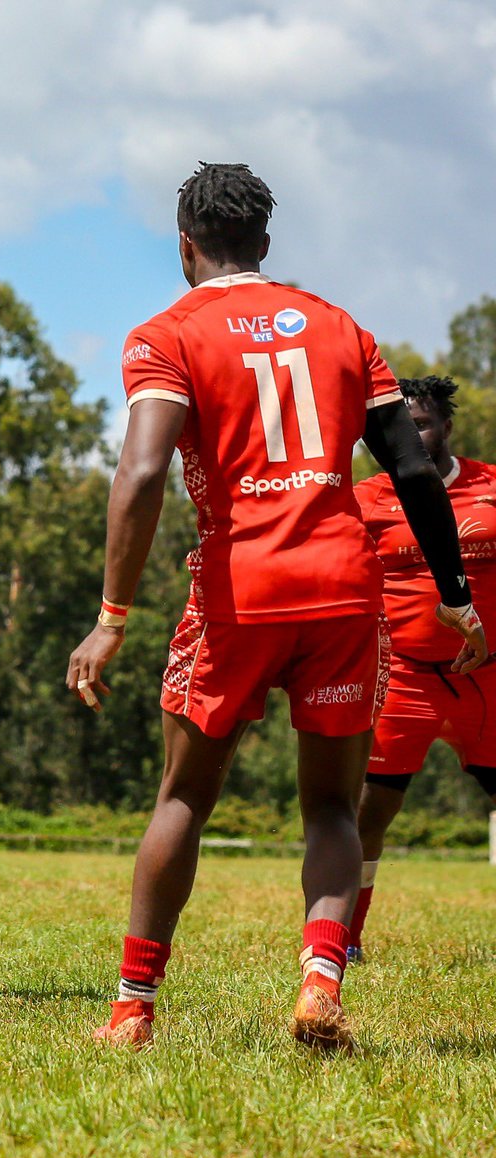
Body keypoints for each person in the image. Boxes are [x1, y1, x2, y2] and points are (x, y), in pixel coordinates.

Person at [66, 163, 487, 1050]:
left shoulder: (166, 334)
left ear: (186, 245)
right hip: (343, 588)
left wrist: (112, 616)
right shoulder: (341, 327)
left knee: (183, 797)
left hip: (238, 591)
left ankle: (133, 1010)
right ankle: (320, 981)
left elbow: (141, 473)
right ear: (265, 242)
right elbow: (412, 470)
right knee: (333, 808)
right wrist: (455, 596)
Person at [348, 375, 496, 962]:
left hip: (488, 679)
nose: (414, 434)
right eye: (402, 426)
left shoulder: (491, 486)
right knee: (367, 812)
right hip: (403, 677)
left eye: (425, 423)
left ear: (448, 427)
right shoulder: (364, 499)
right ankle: (346, 939)